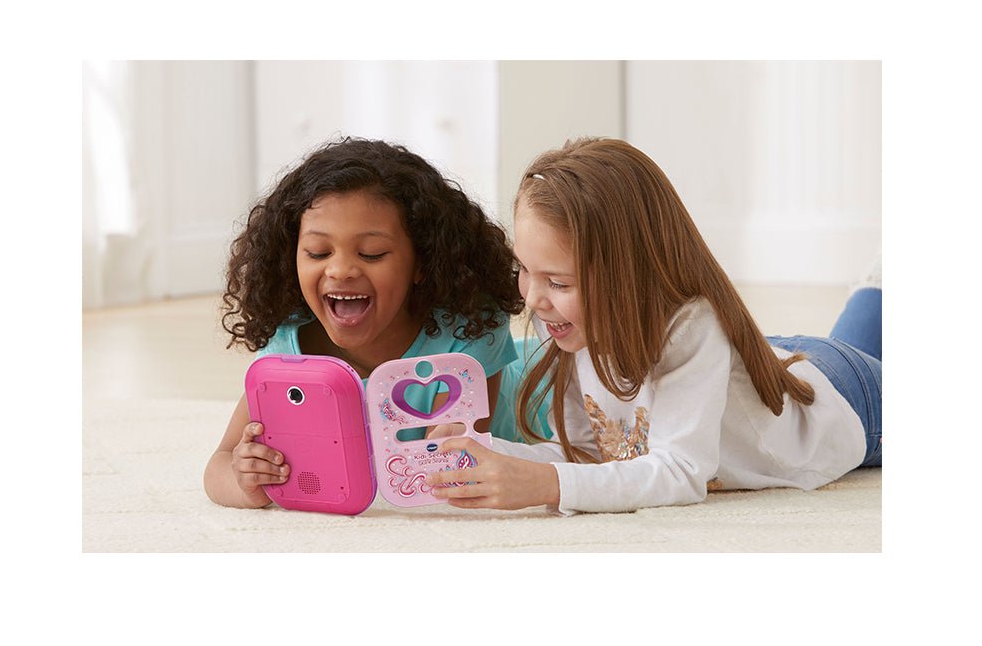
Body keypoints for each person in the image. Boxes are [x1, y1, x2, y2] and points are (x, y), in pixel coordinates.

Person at [428, 137, 882, 514]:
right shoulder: (570, 319)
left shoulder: (691, 328)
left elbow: (680, 471)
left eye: (559, 282)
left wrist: (546, 484)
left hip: (845, 398)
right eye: (525, 270)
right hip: (761, 364)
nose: (532, 299)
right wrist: (490, 452)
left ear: (627, 274)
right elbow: (589, 455)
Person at [204, 137, 523, 508]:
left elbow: (444, 470)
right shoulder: (287, 351)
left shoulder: (469, 332)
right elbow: (219, 465)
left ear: (422, 261)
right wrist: (247, 480)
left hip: (541, 397)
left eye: (372, 253)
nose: (340, 270)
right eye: (318, 252)